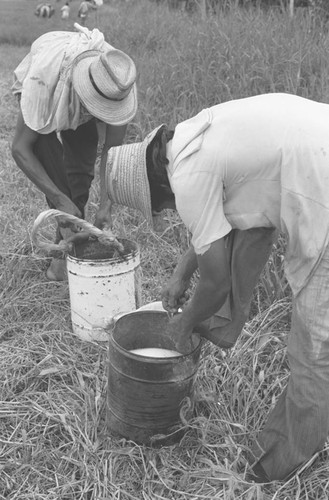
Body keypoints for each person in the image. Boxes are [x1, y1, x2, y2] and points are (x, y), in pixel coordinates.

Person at [103, 93, 329, 483]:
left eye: (157, 206)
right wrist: (180, 274)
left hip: (320, 190)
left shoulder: (188, 178)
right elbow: (219, 218)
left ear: (157, 187)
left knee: (313, 352)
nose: (162, 211)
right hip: (314, 156)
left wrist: (184, 321)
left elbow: (216, 279)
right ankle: (227, 326)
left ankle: (273, 470)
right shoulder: (193, 140)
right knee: (247, 231)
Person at [11, 24, 137, 280]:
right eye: (95, 108)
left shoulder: (119, 82)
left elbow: (112, 156)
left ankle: (61, 260)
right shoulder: (42, 83)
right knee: (57, 177)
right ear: (83, 93)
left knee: (80, 178)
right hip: (52, 79)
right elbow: (20, 149)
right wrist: (58, 198)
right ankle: (63, 257)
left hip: (81, 85)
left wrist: (106, 206)